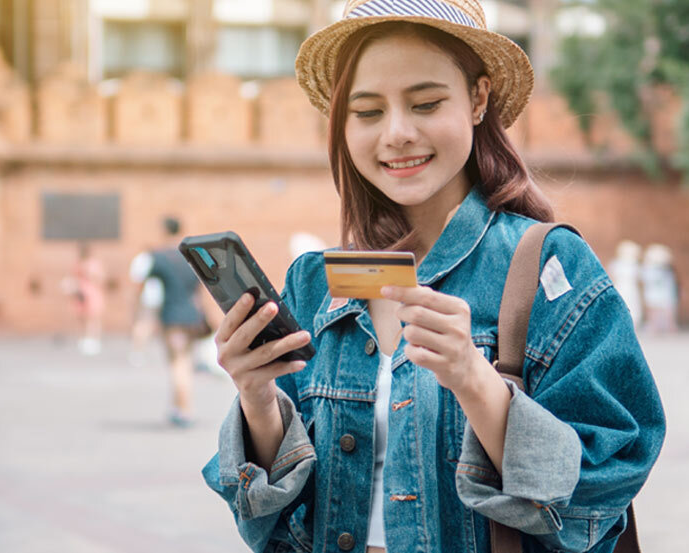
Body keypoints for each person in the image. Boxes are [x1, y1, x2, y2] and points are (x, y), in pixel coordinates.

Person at [203, 2, 665, 552]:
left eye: (425, 103)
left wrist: (474, 378)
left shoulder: (545, 266)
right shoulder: (314, 283)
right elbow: (277, 523)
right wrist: (257, 398)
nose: (397, 134)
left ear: (478, 99)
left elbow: (605, 482)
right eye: (368, 112)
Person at [129, 217, 210, 427]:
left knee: (177, 363)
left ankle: (183, 411)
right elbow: (199, 289)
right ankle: (180, 407)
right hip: (192, 316)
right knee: (186, 363)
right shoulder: (190, 256)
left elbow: (141, 284)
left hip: (172, 316)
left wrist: (138, 311)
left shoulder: (159, 257)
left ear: (164, 230)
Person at [64, 241, 106, 355]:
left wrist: (88, 273)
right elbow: (73, 276)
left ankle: (93, 339)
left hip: (92, 293)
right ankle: (84, 338)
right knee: (81, 316)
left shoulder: (94, 264)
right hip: (80, 293)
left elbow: (99, 278)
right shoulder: (78, 263)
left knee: (93, 317)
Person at [641, 243, 678, 334]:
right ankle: (657, 327)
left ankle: (668, 327)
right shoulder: (652, 269)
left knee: (661, 310)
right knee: (656, 310)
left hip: (661, 292)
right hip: (657, 292)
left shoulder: (665, 270)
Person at [608, 240, 643, 328]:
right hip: (622, 287)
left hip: (629, 288)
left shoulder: (633, 264)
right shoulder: (618, 263)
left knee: (632, 305)